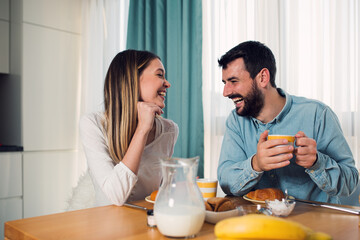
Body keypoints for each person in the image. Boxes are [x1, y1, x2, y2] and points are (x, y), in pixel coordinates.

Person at [217, 41, 359, 203]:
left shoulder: (317, 115)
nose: (225, 92)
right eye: (224, 83)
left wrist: (317, 163)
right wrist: (256, 164)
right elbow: (226, 181)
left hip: (312, 223)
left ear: (263, 78)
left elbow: (351, 182)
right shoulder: (236, 121)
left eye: (233, 81)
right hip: (259, 223)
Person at [80, 50, 178, 206]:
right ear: (132, 80)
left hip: (148, 222)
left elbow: (160, 190)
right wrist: (142, 129)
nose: (167, 83)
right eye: (160, 75)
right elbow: (116, 196)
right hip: (107, 224)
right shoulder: (93, 124)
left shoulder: (169, 130)